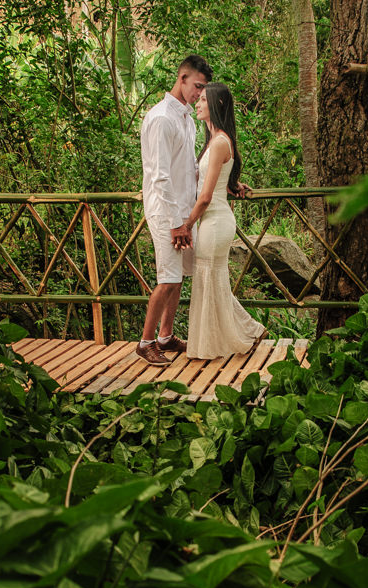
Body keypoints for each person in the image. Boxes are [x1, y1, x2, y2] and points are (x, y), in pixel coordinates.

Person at [136, 55, 211, 366]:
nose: (199, 94)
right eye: (196, 86)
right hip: (166, 213)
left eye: (203, 89)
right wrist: (176, 223)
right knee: (167, 278)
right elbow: (159, 176)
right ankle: (145, 342)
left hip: (184, 211)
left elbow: (190, 168)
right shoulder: (162, 118)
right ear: (181, 79)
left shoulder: (187, 119)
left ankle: (166, 336)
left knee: (178, 276)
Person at [183, 82, 265, 360]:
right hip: (214, 218)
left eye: (203, 100)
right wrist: (232, 186)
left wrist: (186, 224)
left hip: (215, 220)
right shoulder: (215, 140)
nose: (197, 103)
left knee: (209, 278)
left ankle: (230, 337)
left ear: (216, 105)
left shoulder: (219, 142)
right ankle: (247, 330)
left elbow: (205, 196)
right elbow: (214, 183)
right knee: (212, 280)